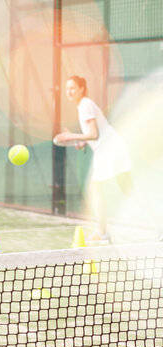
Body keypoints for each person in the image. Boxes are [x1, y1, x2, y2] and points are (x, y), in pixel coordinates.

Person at [55, 75, 162, 242]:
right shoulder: (84, 106)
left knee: (95, 189)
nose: (69, 91)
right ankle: (159, 223)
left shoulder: (85, 105)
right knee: (127, 190)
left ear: (82, 89)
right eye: (67, 88)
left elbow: (94, 134)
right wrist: (82, 142)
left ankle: (102, 232)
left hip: (110, 150)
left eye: (73, 88)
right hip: (112, 148)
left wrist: (70, 136)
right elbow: (95, 135)